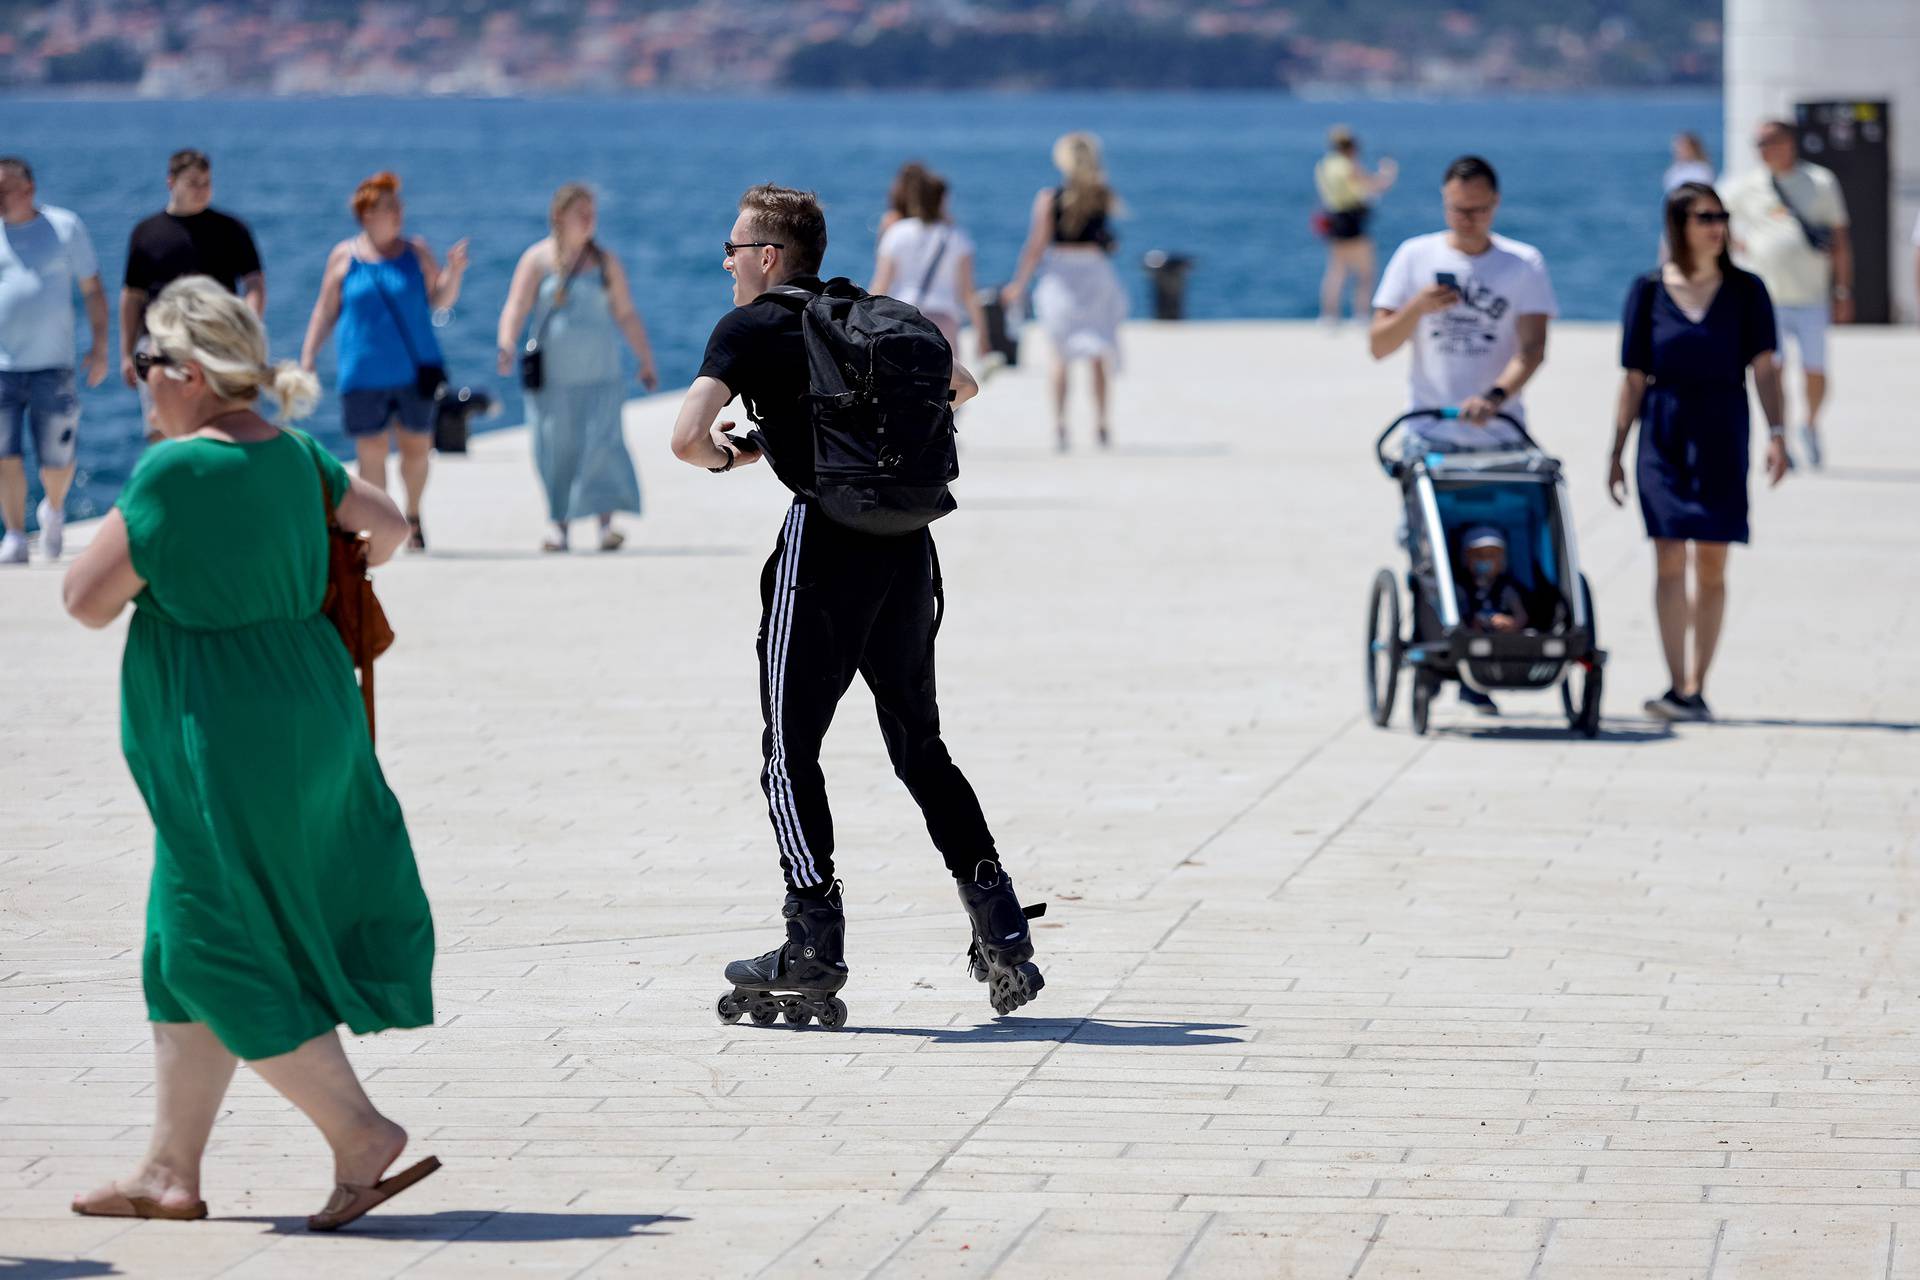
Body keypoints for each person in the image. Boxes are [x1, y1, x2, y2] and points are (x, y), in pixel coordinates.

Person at [61, 276, 438, 1232]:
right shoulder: (299, 455)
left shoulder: (174, 472)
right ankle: (166, 1172)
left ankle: (359, 1133)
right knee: (171, 944)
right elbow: (388, 529)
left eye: (147, 362)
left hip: (223, 738)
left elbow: (85, 599)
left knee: (211, 940)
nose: (139, 381)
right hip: (310, 710)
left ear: (188, 372)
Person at [669, 183, 1045, 1021]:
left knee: (788, 749)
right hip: (907, 548)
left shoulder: (749, 328)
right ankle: (1000, 920)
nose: (727, 265)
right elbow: (966, 386)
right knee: (919, 745)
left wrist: (745, 457)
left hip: (825, 550)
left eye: (734, 251)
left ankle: (813, 936)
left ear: (768, 257)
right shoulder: (873, 315)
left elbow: (686, 437)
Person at [1371, 154, 1557, 714]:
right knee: (1428, 553)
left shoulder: (1522, 264)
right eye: (1457, 210)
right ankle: (1440, 656)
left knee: (1506, 548)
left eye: (1477, 210)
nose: (1467, 220)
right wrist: (1418, 306)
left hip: (1499, 438)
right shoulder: (1415, 257)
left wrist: (1495, 397)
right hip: (1431, 434)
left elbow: (1533, 349)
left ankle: (1502, 643)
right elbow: (1379, 343)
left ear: (1494, 205)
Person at [1610, 182, 1789, 723]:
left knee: (1711, 561)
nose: (1717, 226)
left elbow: (1764, 368)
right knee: (1668, 554)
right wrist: (1616, 449)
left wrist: (1779, 432)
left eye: (1722, 216)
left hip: (1721, 429)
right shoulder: (1646, 290)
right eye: (1705, 217)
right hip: (1662, 430)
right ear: (1679, 226)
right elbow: (1634, 377)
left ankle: (1696, 684)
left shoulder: (1748, 291)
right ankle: (1674, 683)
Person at [300, 171, 469, 552]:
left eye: (399, 206)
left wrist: (454, 272)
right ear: (367, 214)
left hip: (414, 372)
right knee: (371, 452)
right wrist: (309, 355)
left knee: (415, 450)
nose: (399, 213)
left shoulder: (415, 251)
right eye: (390, 207)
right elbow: (325, 311)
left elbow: (440, 300)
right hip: (362, 373)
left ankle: (412, 513)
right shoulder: (344, 257)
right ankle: (381, 523)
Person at [496, 183, 658, 553]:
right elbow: (516, 306)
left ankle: (605, 525)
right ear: (559, 217)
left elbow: (627, 314)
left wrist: (645, 359)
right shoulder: (537, 259)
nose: (589, 220)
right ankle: (559, 526)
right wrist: (506, 342)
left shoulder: (604, 262)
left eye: (592, 213)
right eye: (580, 213)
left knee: (602, 448)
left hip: (601, 375)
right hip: (554, 381)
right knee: (555, 450)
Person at [1722, 120, 1850, 469]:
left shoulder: (1820, 182)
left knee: (1815, 370)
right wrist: (1737, 245)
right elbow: (1713, 213)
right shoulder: (1746, 186)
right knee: (1772, 369)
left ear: (1790, 143)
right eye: (1758, 143)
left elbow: (1839, 238)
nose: (1764, 150)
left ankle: (1810, 424)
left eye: (1770, 142)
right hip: (1767, 299)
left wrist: (1842, 290)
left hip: (1811, 296)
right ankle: (1781, 437)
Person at [0, 156, 108, 565]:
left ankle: (54, 507)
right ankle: (13, 532)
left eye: (3, 189)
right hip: (3, 365)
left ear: (28, 189)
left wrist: (99, 347)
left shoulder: (64, 227)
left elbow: (93, 289)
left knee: (57, 456)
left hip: (53, 364)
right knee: (4, 453)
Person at [1004, 132, 1127, 451]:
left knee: (1059, 353)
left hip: (1061, 274)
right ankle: (1101, 424)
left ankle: (1060, 425)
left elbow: (1036, 246)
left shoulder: (1049, 198)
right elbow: (1108, 239)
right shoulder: (1102, 194)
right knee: (1099, 352)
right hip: (1095, 273)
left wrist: (1019, 283)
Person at [120, 150, 264, 401]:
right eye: (192, 183)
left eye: (206, 183)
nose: (201, 189)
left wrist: (246, 327)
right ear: (171, 182)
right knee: (161, 429)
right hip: (159, 343)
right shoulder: (145, 232)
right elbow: (132, 295)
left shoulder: (232, 229)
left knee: (228, 422)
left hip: (219, 340)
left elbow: (254, 283)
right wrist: (125, 354)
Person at [870, 170, 989, 353]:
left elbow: (880, 285)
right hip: (943, 321)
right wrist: (982, 333)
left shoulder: (896, 233)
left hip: (903, 318)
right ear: (942, 200)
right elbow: (968, 292)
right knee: (947, 379)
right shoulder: (957, 237)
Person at [1315, 125, 1397, 324]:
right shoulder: (1349, 165)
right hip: (1351, 221)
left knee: (1337, 270)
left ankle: (1329, 316)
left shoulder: (1325, 165)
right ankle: (1360, 315)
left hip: (1334, 219)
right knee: (1366, 272)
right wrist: (1388, 173)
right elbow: (1373, 185)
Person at [1456, 527, 1528, 634]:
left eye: (1491, 555)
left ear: (1502, 560)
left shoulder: (1508, 588)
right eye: (1477, 555)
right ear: (1466, 559)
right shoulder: (1459, 589)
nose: (1484, 559)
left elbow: (1522, 616)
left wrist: (1510, 623)